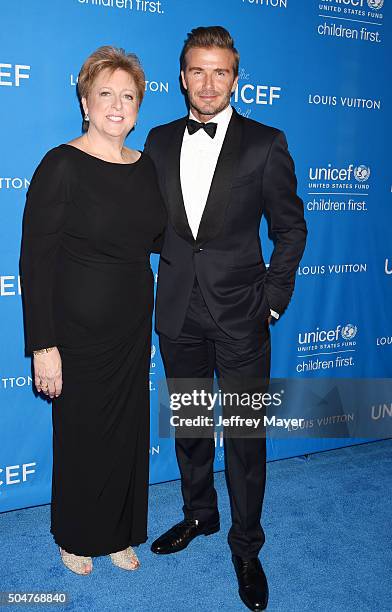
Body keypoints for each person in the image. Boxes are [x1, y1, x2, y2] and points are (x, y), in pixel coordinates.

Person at [144, 26, 307, 611]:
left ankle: (246, 545)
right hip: (178, 314)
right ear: (182, 76)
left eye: (220, 72)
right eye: (197, 71)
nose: (208, 83)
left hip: (242, 315)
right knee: (189, 427)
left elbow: (290, 229)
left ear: (236, 78)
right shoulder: (159, 142)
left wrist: (273, 299)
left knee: (243, 438)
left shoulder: (265, 143)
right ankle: (199, 515)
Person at [20, 46, 166, 575]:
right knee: (81, 436)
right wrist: (43, 344)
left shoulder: (146, 168)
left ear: (138, 107)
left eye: (128, 96)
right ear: (85, 102)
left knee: (126, 433)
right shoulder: (60, 165)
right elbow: (34, 262)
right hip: (75, 334)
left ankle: (117, 534)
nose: (117, 104)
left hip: (131, 329)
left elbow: (156, 237)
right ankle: (76, 535)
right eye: (105, 93)